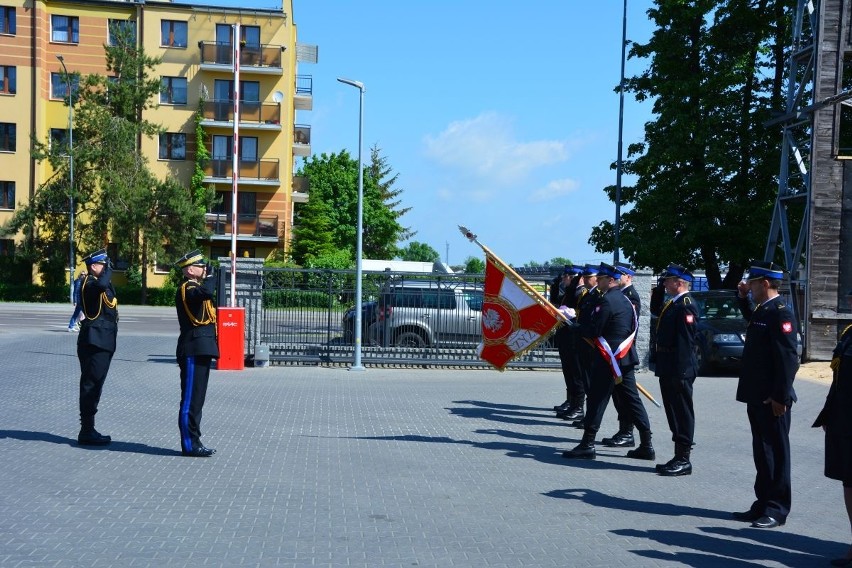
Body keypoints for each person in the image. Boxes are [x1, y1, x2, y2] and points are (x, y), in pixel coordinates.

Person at [562, 263, 655, 460]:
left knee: (597, 400)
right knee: (632, 401)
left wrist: (574, 326)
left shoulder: (607, 302)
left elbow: (595, 330)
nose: (598, 281)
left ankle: (587, 443)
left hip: (608, 358)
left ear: (609, 280)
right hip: (624, 358)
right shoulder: (624, 300)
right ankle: (647, 444)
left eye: (601, 278)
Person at [732, 260, 799, 529]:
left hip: (773, 398)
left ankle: (777, 508)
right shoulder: (763, 310)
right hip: (756, 394)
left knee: (776, 453)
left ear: (766, 284)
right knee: (762, 452)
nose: (750, 286)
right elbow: (752, 321)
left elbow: (788, 359)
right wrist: (743, 299)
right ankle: (763, 502)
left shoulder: (780, 312)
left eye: (753, 283)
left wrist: (780, 397)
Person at [813, 290, 852, 565]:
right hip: (845, 421)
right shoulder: (849, 332)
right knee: (849, 482)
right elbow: (838, 380)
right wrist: (828, 414)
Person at [653, 264, 699, 476]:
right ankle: (677, 455)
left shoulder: (686, 305)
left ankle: (684, 458)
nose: (664, 283)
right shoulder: (674, 303)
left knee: (682, 413)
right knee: (673, 412)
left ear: (679, 283)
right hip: (668, 365)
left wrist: (681, 372)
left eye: (667, 280)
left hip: (678, 368)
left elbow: (686, 342)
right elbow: (655, 311)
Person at [175, 249, 219, 457]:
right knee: (190, 398)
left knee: (198, 398)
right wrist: (210, 277)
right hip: (192, 348)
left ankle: (196, 439)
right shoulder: (187, 288)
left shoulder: (197, 288)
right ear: (190, 270)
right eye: (201, 266)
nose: (204, 269)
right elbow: (206, 293)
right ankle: (189, 443)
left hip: (202, 347)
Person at [76, 250, 118, 446]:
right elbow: (101, 285)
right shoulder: (89, 284)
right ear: (94, 266)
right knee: (90, 386)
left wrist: (107, 269)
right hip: (94, 341)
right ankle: (86, 430)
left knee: (96, 386)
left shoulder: (101, 284)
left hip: (104, 341)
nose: (107, 267)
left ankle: (89, 429)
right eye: (104, 264)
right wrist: (109, 270)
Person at [600, 261, 641, 448]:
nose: (619, 278)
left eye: (621, 275)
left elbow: (628, 328)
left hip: (621, 353)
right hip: (615, 355)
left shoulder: (631, 296)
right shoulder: (621, 296)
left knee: (626, 397)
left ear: (628, 277)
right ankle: (624, 430)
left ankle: (628, 431)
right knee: (619, 396)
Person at [561, 264, 599, 425]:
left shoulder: (588, 294)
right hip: (574, 338)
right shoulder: (584, 294)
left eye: (587, 277)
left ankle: (579, 407)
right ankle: (574, 403)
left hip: (583, 341)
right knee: (571, 373)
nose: (564, 279)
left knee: (580, 377)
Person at [553, 265, 583, 415]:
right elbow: (557, 302)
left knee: (576, 373)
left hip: (574, 339)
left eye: (566, 277)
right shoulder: (570, 292)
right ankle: (571, 400)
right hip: (565, 336)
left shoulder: (580, 293)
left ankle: (578, 405)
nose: (563, 279)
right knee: (568, 371)